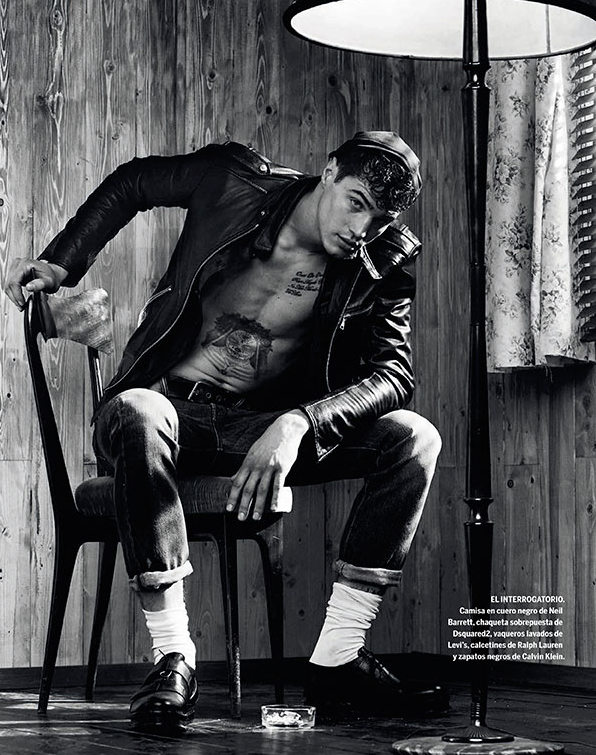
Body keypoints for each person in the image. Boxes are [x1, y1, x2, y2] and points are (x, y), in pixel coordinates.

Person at [4, 131, 446, 731]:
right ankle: (173, 657)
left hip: (257, 428)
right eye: (356, 202)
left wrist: (299, 422)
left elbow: (394, 374)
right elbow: (134, 182)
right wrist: (62, 261)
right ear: (329, 171)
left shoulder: (383, 260)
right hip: (167, 406)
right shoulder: (233, 181)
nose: (361, 229)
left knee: (414, 438)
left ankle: (339, 656)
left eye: (379, 219)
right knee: (140, 411)